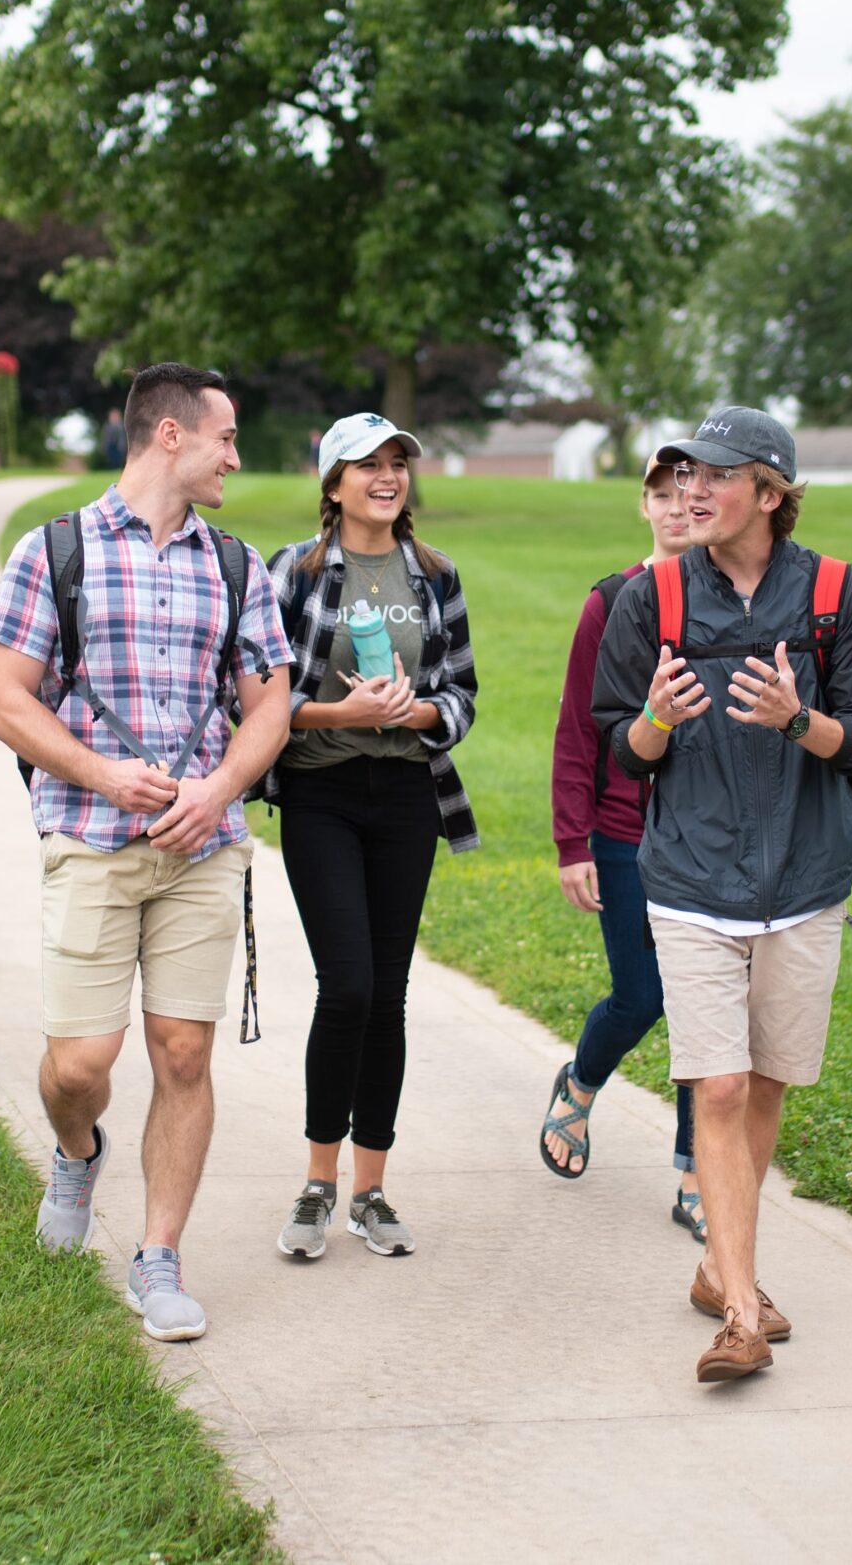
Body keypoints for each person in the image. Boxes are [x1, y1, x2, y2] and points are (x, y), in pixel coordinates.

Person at [0, 362, 294, 1343]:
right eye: (225, 438)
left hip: (203, 850)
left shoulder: (236, 566)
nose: (235, 458)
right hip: (89, 834)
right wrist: (104, 773)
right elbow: (3, 697)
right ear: (168, 435)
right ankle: (77, 1150)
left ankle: (158, 1256)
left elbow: (271, 705)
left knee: (184, 1050)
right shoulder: (54, 550)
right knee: (81, 1061)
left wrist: (217, 790)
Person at [591, 406, 852, 1383]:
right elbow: (619, 745)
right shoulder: (653, 602)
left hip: (806, 878)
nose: (691, 488)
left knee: (764, 1084)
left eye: (714, 474)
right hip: (689, 878)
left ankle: (716, 1262)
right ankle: (738, 1309)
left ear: (768, 493)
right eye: (683, 472)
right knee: (716, 1085)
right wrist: (651, 719)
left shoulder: (839, 598)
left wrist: (796, 719)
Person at [262, 413, 480, 1263]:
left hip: (406, 796)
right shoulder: (296, 572)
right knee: (345, 984)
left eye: (398, 464)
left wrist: (418, 709)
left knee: (387, 993)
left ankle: (371, 1191)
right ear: (333, 482)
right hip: (320, 792)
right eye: (367, 465)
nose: (386, 477)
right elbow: (258, 692)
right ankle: (317, 1183)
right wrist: (335, 712)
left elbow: (462, 692)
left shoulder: (435, 574)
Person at [538, 443, 704, 1238]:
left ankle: (696, 1172)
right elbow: (577, 728)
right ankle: (580, 1081)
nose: (677, 506)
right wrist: (573, 840)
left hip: (708, 839)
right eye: (661, 493)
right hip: (622, 832)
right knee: (644, 994)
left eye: (690, 491)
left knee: (707, 1009)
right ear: (643, 505)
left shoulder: (733, 602)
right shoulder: (612, 602)